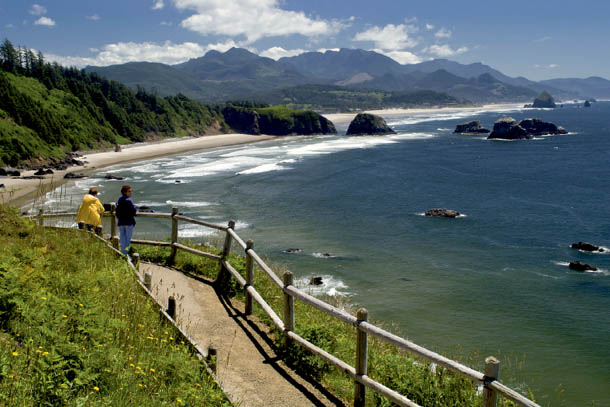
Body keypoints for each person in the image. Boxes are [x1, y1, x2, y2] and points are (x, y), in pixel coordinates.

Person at [116, 185, 137, 255]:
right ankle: (126, 253)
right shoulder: (129, 200)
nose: (130, 193)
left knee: (122, 239)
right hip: (129, 222)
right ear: (125, 192)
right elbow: (134, 210)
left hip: (121, 222)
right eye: (129, 191)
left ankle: (123, 252)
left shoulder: (120, 199)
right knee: (128, 240)